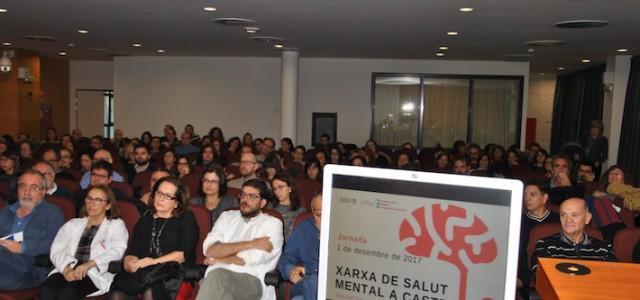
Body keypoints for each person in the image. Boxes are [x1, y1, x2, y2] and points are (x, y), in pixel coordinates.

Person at [110, 176, 198, 300]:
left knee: (150, 293)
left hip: (172, 274)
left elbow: (182, 255)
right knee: (117, 295)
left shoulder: (186, 218)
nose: (161, 198)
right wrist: (129, 263)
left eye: (167, 196)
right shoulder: (145, 219)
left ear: (177, 203)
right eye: (159, 193)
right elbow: (132, 251)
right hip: (142, 274)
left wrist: (151, 262)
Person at [197, 179, 284, 300]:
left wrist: (219, 259)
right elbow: (210, 250)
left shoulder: (272, 224)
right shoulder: (226, 217)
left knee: (217, 277)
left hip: (251, 280)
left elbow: (253, 257)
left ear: (263, 202)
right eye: (243, 194)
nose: (245, 199)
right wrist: (250, 244)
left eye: (252, 196)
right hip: (217, 279)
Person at [41, 185, 128, 299]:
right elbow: (57, 249)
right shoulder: (73, 224)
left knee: (69, 292)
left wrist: (89, 264)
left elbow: (117, 251)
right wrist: (66, 269)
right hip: (68, 268)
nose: (92, 203)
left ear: (108, 205)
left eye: (98, 200)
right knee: (48, 288)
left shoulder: (116, 225)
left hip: (93, 272)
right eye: (89, 199)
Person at [0, 170, 65, 290]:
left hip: (29, 268)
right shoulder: (7, 211)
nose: (26, 192)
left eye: (34, 188)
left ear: (44, 191)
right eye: (22, 186)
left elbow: (51, 242)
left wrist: (22, 247)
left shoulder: (52, 213)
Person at [530, 198, 616, 277]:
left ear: (587, 218)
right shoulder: (545, 245)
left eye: (574, 215)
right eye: (563, 215)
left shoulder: (604, 248)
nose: (568, 220)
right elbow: (541, 278)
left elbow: (613, 277)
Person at [517, 181, 559, 299]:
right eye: (525, 195)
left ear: (544, 198)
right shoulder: (519, 221)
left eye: (532, 195)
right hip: (525, 269)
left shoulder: (559, 220)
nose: (527, 198)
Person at [277, 192, 322, 300]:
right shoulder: (304, 228)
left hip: (334, 288)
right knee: (312, 281)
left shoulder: (345, 234)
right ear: (312, 211)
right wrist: (290, 271)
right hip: (306, 282)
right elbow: (285, 258)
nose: (324, 220)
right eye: (319, 215)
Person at [271, 173, 305, 240]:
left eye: (280, 187)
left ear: (290, 188)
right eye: (274, 188)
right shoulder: (270, 208)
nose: (277, 191)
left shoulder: (300, 211)